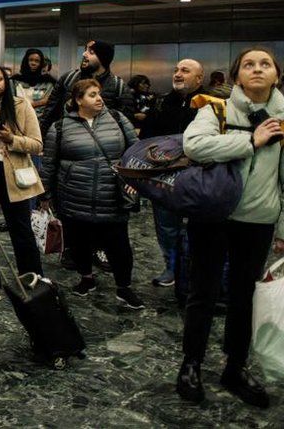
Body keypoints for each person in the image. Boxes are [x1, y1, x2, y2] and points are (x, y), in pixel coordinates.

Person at [176, 47, 284, 408]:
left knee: (243, 298)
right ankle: (190, 364)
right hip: (213, 215)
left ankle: (235, 367)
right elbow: (194, 146)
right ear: (237, 76)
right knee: (202, 294)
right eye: (248, 65)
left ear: (276, 74)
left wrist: (283, 229)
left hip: (258, 220)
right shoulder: (216, 108)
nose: (257, 69)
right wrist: (249, 141)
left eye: (265, 64)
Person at [39, 79, 144, 309]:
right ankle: (86, 278)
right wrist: (44, 193)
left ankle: (124, 287)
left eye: (99, 94)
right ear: (78, 100)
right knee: (79, 242)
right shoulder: (60, 127)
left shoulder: (116, 119)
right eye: (92, 95)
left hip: (112, 195)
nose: (99, 99)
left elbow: (136, 150)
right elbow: (49, 164)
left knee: (119, 244)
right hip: (75, 194)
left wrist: (136, 182)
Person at [0, 66, 45, 307]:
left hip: (11, 172)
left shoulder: (20, 105)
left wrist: (10, 138)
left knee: (20, 228)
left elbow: (36, 144)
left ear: (6, 81)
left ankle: (32, 279)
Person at [139, 59, 204, 293]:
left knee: (198, 227)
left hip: (199, 176)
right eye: (176, 70)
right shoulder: (162, 103)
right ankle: (172, 268)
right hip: (164, 176)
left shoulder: (209, 104)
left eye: (185, 71)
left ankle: (195, 272)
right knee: (166, 226)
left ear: (199, 78)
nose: (178, 74)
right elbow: (146, 138)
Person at [40, 40, 134, 136]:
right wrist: (42, 140)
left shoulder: (118, 86)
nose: (84, 54)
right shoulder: (68, 79)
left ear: (103, 58)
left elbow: (126, 125)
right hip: (68, 141)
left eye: (91, 52)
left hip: (103, 144)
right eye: (85, 50)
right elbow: (49, 113)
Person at [10, 48, 57, 124]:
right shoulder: (14, 81)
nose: (33, 63)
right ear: (26, 61)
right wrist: (39, 102)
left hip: (40, 122)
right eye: (31, 60)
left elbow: (49, 104)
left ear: (41, 63)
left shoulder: (48, 82)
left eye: (37, 61)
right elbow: (12, 103)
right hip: (18, 121)